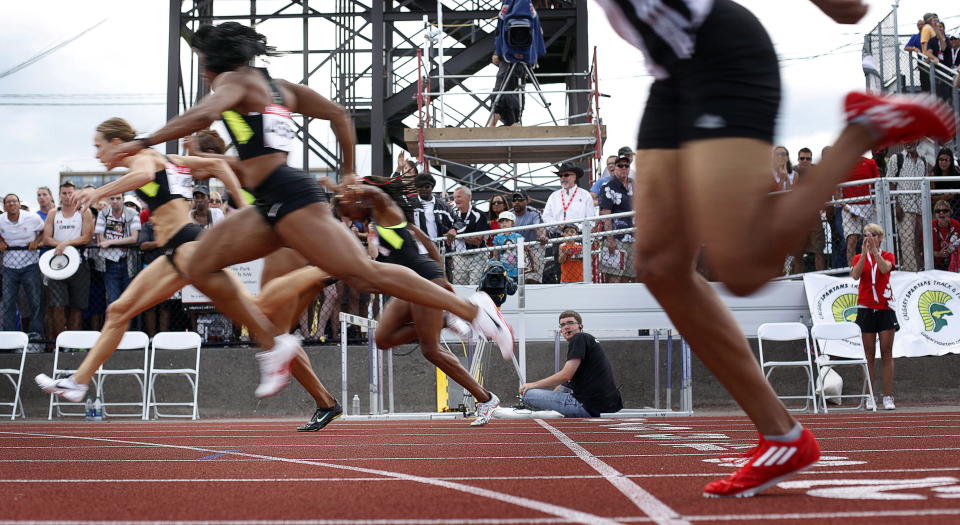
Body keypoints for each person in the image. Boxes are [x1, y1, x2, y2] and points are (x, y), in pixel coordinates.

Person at [595, 0, 955, 498]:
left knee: (741, 268)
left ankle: (863, 130)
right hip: (670, 77)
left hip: (719, 49)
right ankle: (783, 436)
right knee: (659, 264)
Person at [102, 22, 514, 367]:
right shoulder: (277, 86)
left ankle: (472, 309)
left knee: (363, 274)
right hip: (272, 201)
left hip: (290, 197)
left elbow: (205, 113)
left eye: (202, 65)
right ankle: (275, 343)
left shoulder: (231, 80)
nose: (204, 75)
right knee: (203, 265)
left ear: (211, 62)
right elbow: (338, 115)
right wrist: (348, 167)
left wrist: (144, 140)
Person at [35, 120, 284, 402]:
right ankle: (78, 382)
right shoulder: (167, 159)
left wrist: (98, 192)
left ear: (117, 144)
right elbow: (218, 166)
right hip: (176, 252)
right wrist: (244, 206)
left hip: (189, 246)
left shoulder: (144, 157)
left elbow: (143, 176)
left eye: (98, 146)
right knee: (118, 311)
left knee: (246, 307)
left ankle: (278, 344)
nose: (96, 154)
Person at [519, 310, 622, 417]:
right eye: (562, 325)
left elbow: (565, 375)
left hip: (585, 406)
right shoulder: (589, 340)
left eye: (570, 323)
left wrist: (532, 385)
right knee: (555, 394)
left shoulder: (579, 338)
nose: (566, 327)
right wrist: (551, 402)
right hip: (607, 407)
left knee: (528, 394)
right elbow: (564, 384)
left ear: (580, 326)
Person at [850, 223, 897, 411]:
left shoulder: (887, 255)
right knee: (869, 354)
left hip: (885, 307)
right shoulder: (857, 257)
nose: (870, 238)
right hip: (866, 307)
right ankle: (870, 395)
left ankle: (888, 395)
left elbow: (885, 269)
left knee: (886, 352)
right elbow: (855, 275)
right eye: (867, 235)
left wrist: (875, 252)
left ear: (881, 237)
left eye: (875, 235)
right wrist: (863, 254)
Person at [40, 181, 94, 336]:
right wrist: (61, 245)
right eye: (64, 193)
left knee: (77, 306)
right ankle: (59, 343)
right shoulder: (53, 213)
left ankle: (72, 343)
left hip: (79, 263)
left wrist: (66, 244)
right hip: (57, 266)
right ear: (59, 195)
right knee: (58, 306)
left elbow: (87, 237)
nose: (67, 196)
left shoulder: (84, 212)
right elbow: (46, 239)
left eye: (70, 192)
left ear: (75, 193)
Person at [0, 194, 44, 335]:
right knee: (8, 304)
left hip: (30, 264)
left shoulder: (32, 218)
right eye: (8, 202)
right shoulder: (1, 220)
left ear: (19, 204)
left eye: (14, 201)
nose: (11, 204)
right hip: (9, 266)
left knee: (35, 302)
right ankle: (9, 336)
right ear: (4, 206)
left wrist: (36, 242)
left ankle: (36, 336)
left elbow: (44, 231)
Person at [93, 193, 141, 305]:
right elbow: (101, 240)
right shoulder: (102, 214)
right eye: (112, 198)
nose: (115, 201)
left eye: (118, 198)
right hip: (109, 263)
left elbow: (134, 238)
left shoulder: (133, 214)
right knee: (112, 301)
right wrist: (124, 242)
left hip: (129, 262)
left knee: (128, 301)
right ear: (109, 200)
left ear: (123, 199)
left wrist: (110, 242)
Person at [543, 162, 594, 230]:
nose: (563, 178)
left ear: (574, 177)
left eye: (566, 175)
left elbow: (591, 220)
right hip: (558, 236)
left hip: (579, 236)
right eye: (560, 176)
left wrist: (576, 228)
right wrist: (558, 225)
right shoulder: (553, 196)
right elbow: (546, 217)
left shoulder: (585, 195)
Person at [932, 200, 960, 271]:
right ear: (935, 214)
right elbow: (923, 249)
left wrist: (952, 249)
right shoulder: (930, 226)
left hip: (954, 262)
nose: (941, 213)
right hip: (935, 263)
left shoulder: (956, 224)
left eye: (945, 210)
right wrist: (938, 254)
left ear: (950, 212)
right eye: (938, 211)